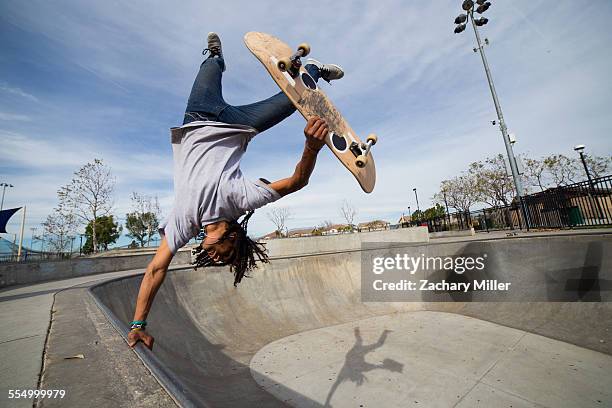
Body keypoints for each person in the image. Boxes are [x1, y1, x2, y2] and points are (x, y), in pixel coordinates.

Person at [128, 33, 344, 349]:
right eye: (222, 254)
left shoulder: (184, 223)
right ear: (233, 237)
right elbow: (297, 182)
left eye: (212, 256)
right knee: (297, 98)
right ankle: (312, 71)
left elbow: (156, 269)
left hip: (197, 114)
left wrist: (138, 324)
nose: (212, 254)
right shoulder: (239, 201)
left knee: (211, 66)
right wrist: (311, 147)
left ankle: (218, 58)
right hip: (239, 124)